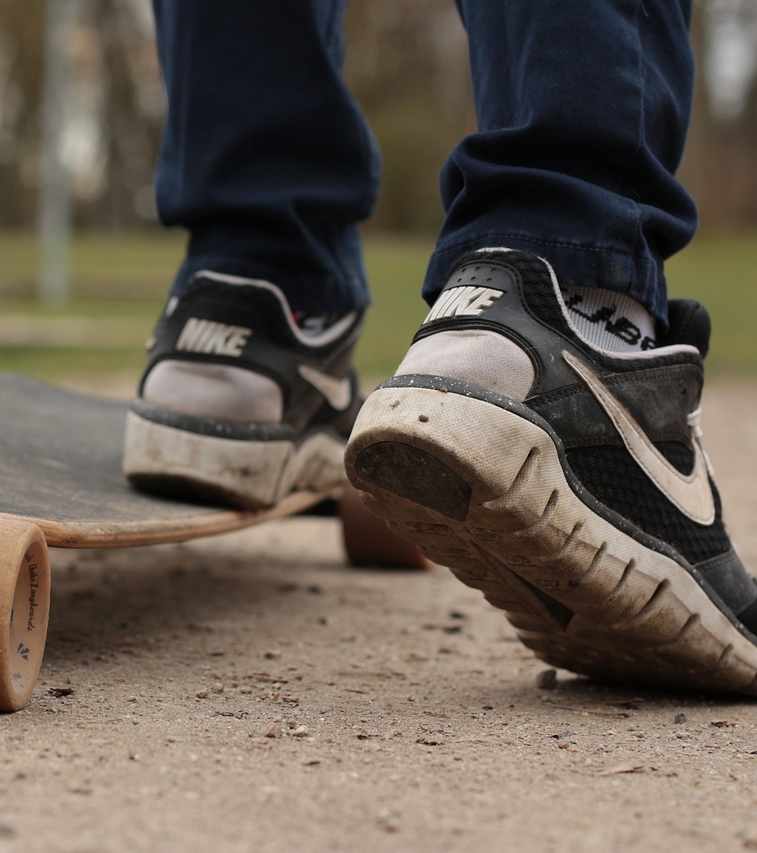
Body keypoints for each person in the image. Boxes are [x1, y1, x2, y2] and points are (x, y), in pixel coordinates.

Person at [123, 1, 757, 695]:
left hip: (208, 286)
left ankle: (250, 304)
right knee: (566, 231)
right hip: (559, 320)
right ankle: (575, 295)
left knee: (261, 254)